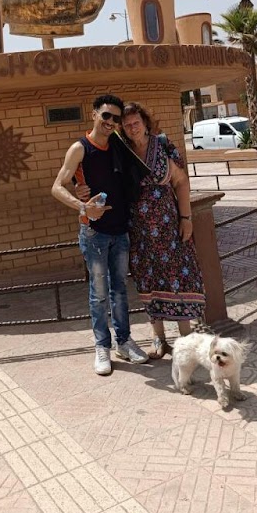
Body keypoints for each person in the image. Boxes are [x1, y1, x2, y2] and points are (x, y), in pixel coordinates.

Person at [52, 93, 149, 375]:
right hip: (94, 232)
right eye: (106, 116)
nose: (111, 122)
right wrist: (82, 205)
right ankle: (102, 347)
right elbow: (57, 187)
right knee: (98, 294)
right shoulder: (79, 148)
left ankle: (124, 342)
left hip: (120, 229)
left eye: (116, 119)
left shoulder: (119, 146)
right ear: (94, 114)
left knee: (119, 290)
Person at [121, 102, 206, 359]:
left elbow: (181, 182)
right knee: (148, 279)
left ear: (145, 122)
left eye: (136, 122)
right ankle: (159, 338)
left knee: (178, 274)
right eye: (127, 125)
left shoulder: (163, 144)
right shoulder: (123, 152)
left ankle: (186, 338)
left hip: (169, 226)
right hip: (140, 231)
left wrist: (186, 217)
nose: (132, 128)